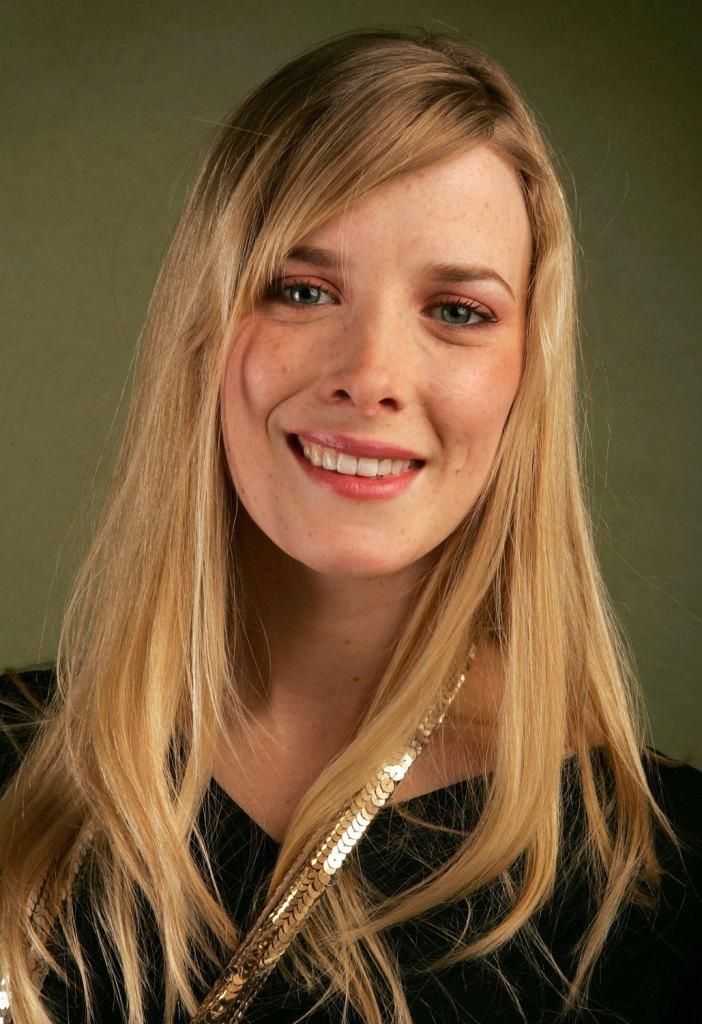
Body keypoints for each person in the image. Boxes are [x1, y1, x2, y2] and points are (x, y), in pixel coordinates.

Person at [0, 25, 699, 1024]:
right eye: (300, 289)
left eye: (457, 311)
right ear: (205, 330)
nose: (370, 375)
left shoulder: (668, 888)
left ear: (525, 378)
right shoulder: (13, 766)